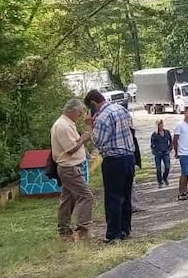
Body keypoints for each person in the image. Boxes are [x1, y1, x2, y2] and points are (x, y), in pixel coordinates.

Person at [85, 88, 137, 243]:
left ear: (93, 103)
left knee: (113, 197)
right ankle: (125, 229)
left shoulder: (102, 117)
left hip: (114, 159)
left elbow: (98, 141)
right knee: (126, 195)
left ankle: (113, 234)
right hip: (129, 156)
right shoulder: (120, 108)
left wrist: (90, 125)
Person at [51, 98, 95, 239]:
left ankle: (64, 231)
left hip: (69, 167)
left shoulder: (66, 123)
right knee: (86, 196)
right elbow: (70, 149)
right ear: (73, 111)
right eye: (80, 112)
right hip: (69, 167)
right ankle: (82, 229)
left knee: (68, 200)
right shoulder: (63, 126)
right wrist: (84, 138)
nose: (81, 115)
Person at [150, 119, 173, 188]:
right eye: (159, 124)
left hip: (166, 152)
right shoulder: (154, 134)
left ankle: (165, 178)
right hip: (158, 153)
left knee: (167, 167)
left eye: (161, 124)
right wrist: (154, 151)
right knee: (158, 169)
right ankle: (159, 181)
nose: (161, 126)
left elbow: (170, 141)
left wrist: (170, 149)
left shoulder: (167, 132)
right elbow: (152, 144)